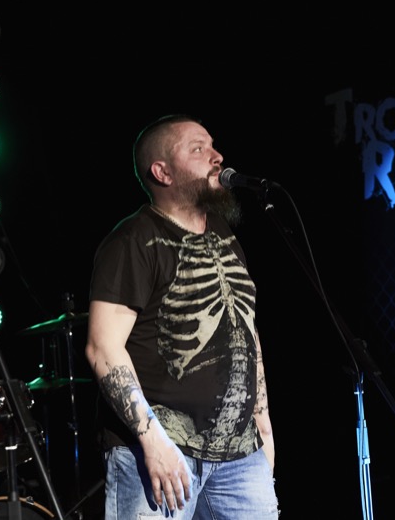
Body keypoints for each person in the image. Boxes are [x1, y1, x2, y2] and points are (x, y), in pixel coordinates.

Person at [85, 114, 279, 519]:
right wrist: (152, 441)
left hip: (241, 455)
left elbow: (247, 330)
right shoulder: (133, 240)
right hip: (162, 451)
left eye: (212, 145)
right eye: (198, 149)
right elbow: (103, 348)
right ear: (163, 172)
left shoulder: (225, 236)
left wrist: (262, 426)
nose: (216, 156)